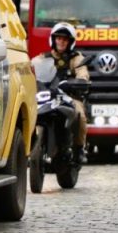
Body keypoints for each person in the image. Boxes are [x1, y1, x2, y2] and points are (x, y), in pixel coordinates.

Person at [32, 22, 90, 164]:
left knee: (80, 115)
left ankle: (78, 148)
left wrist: (79, 81)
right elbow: (30, 68)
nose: (61, 41)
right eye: (58, 38)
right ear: (53, 39)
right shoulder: (43, 57)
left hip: (68, 97)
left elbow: (83, 74)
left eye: (65, 39)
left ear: (70, 42)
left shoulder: (76, 58)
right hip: (47, 96)